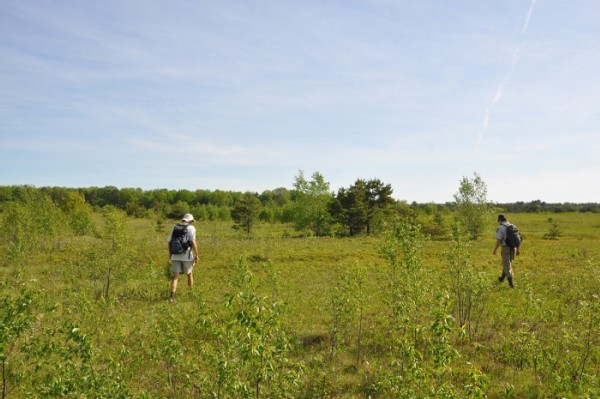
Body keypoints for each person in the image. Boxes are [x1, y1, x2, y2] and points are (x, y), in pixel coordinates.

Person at [167, 213, 199, 301]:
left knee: (175, 277)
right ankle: (191, 294)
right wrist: (196, 255)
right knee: (189, 274)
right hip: (186, 255)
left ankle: (172, 297)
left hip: (175, 255)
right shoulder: (191, 228)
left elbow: (169, 241)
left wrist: (170, 254)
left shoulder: (175, 227)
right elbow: (193, 242)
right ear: (191, 221)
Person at [493, 213, 519, 288]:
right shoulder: (512, 226)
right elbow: (518, 238)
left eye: (499, 221)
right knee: (507, 263)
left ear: (500, 220)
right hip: (513, 248)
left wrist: (495, 249)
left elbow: (498, 240)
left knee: (507, 265)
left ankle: (511, 285)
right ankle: (501, 278)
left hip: (506, 248)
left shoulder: (500, 227)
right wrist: (518, 249)